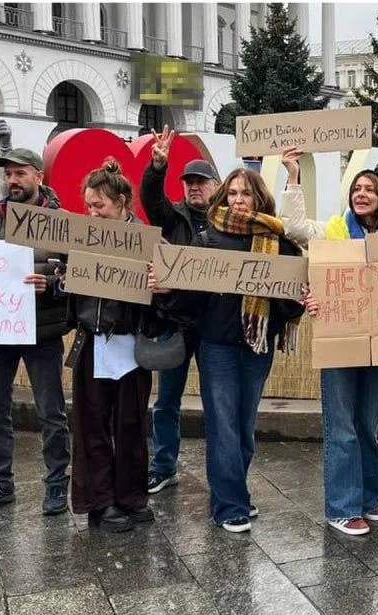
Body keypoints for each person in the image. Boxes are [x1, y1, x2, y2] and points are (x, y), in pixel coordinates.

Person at [179, 166, 305, 534]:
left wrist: (295, 296)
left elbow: (289, 304)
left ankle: (234, 492)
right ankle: (229, 506)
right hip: (216, 346)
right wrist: (169, 286)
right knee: (223, 425)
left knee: (245, 426)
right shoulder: (206, 241)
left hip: (256, 347)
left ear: (258, 198)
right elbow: (188, 299)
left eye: (245, 193)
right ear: (223, 197)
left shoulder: (278, 243)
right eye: (232, 193)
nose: (238, 200)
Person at [294, 153, 378, 536]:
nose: (362, 194)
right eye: (357, 188)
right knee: (341, 426)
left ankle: (368, 499)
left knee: (367, 425)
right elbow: (295, 229)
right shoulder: (334, 229)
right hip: (339, 342)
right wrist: (292, 176)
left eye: (369, 188)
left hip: (377, 345)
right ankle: (341, 507)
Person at [62, 158, 169, 533]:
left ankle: (131, 496)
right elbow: (66, 284)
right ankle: (100, 501)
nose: (92, 213)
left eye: (99, 205)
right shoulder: (80, 238)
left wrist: (163, 287)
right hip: (92, 342)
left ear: (122, 202)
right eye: (88, 206)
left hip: (132, 344)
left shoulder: (150, 242)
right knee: (91, 425)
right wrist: (58, 279)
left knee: (131, 424)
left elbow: (171, 295)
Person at [0, 148, 71, 516]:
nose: (13, 180)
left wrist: (51, 284)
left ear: (39, 176)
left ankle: (56, 484)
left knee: (51, 412)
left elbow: (80, 273)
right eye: (8, 174)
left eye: (20, 173)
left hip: (42, 330)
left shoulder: (60, 221)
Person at [141, 125, 219, 494]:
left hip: (213, 326)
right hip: (175, 323)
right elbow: (150, 199)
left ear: (216, 185)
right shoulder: (173, 216)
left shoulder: (227, 222)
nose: (194, 187)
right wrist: (157, 167)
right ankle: (163, 466)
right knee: (166, 401)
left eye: (201, 182)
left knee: (216, 404)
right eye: (189, 182)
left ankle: (219, 475)